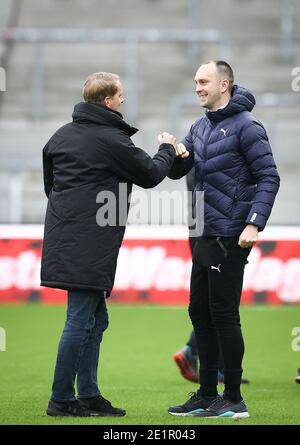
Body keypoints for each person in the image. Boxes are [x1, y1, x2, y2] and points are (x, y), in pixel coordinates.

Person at [41, 72, 178, 417]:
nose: (123, 100)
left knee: (95, 320)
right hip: (90, 243)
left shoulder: (60, 137)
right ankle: (61, 399)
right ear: (106, 101)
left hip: (67, 238)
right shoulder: (110, 140)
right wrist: (167, 148)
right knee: (79, 320)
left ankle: (88, 394)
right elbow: (149, 174)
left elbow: (51, 187)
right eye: (120, 96)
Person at [167, 60, 280, 419]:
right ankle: (205, 394)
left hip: (230, 233)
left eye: (204, 81)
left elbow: (269, 177)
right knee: (198, 311)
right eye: (196, 81)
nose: (198, 87)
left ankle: (233, 397)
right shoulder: (199, 127)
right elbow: (179, 171)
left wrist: (254, 223)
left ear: (225, 84)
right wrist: (174, 151)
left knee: (223, 315)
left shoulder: (247, 127)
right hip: (201, 232)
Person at [173, 171, 250, 385]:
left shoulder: (197, 147)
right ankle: (222, 378)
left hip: (199, 229)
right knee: (221, 309)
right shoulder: (210, 150)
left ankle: (214, 373)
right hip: (215, 232)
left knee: (210, 307)